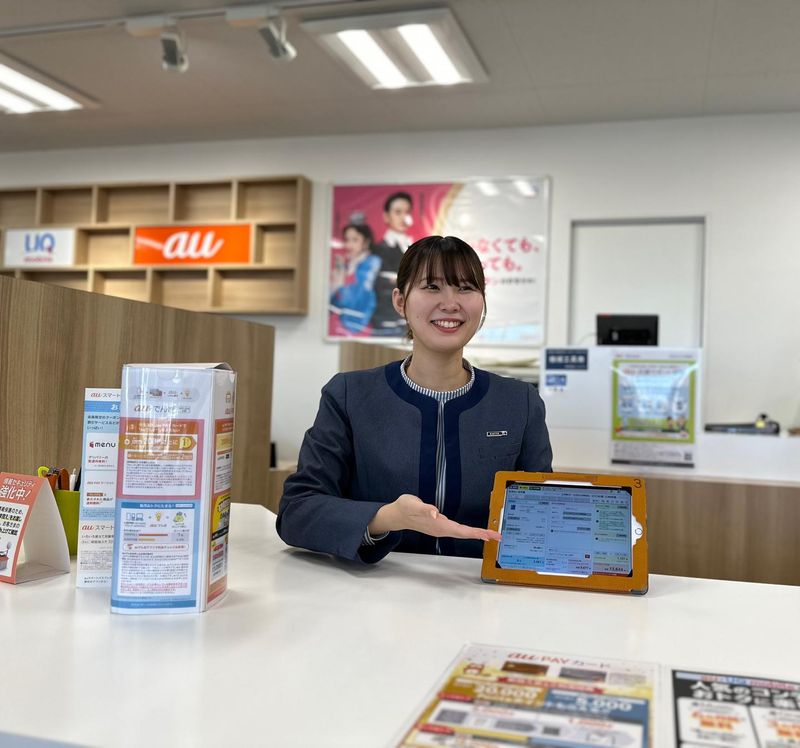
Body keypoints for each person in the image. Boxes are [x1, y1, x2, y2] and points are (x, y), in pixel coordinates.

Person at [277, 235, 553, 564]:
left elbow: (544, 514)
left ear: (482, 301)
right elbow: (297, 510)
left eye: (466, 288)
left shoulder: (519, 402)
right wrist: (387, 517)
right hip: (373, 587)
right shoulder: (350, 395)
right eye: (432, 287)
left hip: (478, 586)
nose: (450, 303)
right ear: (400, 301)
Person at [370, 191, 414, 336]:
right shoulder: (377, 251)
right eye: (398, 212)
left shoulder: (415, 250)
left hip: (410, 325)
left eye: (407, 212)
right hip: (385, 324)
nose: (404, 218)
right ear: (386, 216)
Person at [329, 223, 381, 335]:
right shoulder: (347, 266)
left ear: (366, 242)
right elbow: (332, 304)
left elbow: (359, 297)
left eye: (355, 240)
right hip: (341, 327)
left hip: (361, 328)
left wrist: (339, 285)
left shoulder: (371, 263)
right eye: (346, 240)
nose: (349, 245)